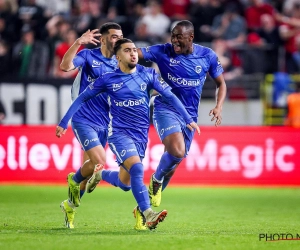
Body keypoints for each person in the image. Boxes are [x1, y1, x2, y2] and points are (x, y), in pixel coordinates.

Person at [56, 38, 200, 230]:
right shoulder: (108, 79)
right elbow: (81, 98)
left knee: (125, 183)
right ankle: (148, 214)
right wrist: (64, 122)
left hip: (140, 136)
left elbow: (170, 96)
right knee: (138, 169)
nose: (133, 53)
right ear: (118, 57)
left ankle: (100, 174)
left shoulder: (148, 75)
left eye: (134, 50)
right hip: (119, 134)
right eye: (127, 50)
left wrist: (188, 119)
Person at [136, 20, 226, 219]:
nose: (174, 40)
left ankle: (144, 212)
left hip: (190, 117)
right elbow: (135, 53)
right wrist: (115, 48)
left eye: (179, 37)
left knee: (174, 164)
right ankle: (155, 179)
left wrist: (219, 106)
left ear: (191, 37)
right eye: (173, 36)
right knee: (177, 151)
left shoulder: (207, 56)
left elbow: (221, 83)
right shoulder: (162, 51)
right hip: (165, 108)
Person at [58, 22, 124, 229]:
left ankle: (69, 206)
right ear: (103, 39)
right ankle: (73, 179)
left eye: (121, 36)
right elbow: (65, 66)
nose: (118, 40)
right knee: (100, 162)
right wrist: (77, 42)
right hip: (83, 117)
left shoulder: (120, 61)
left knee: (88, 176)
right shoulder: (88, 56)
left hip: (106, 121)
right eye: (114, 36)